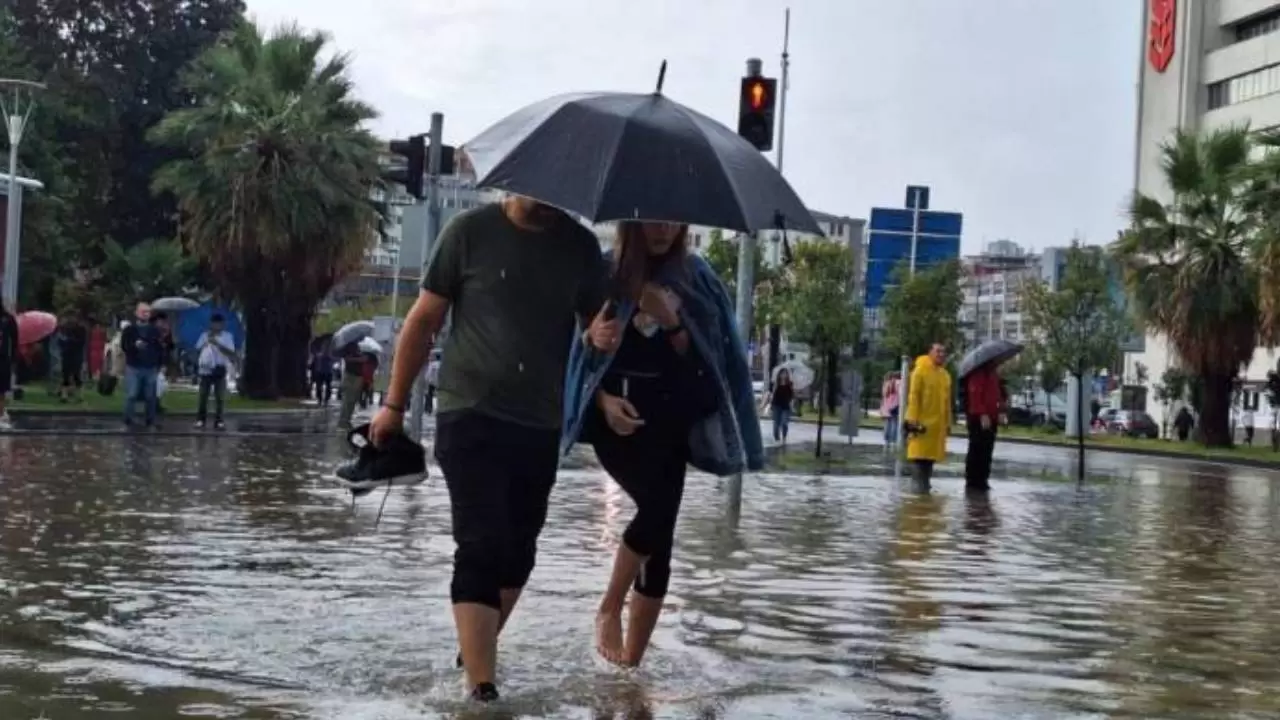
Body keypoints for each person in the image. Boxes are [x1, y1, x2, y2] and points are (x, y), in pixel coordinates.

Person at [366, 195, 618, 703]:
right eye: (538, 193)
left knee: (518, 554)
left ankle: (472, 652)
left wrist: (598, 335)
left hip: (541, 421)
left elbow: (597, 326)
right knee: (480, 543)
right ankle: (482, 689)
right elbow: (423, 320)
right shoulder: (468, 232)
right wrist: (392, 406)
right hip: (470, 412)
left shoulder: (579, 246)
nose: (548, 203)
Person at [562, 221, 763, 668]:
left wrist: (672, 321)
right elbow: (574, 355)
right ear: (631, 220)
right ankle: (610, 606)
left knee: (661, 539)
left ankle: (631, 669)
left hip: (673, 423)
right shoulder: (601, 275)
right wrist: (599, 387)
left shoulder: (697, 278)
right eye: (653, 219)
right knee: (655, 509)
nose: (663, 230)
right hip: (617, 422)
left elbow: (709, 363)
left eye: (673, 221)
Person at [904, 343, 952, 492]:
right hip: (920, 427)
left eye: (943, 352)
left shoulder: (945, 375)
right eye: (938, 351)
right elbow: (913, 397)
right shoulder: (920, 371)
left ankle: (924, 498)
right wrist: (912, 421)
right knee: (918, 465)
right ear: (930, 352)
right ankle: (917, 502)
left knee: (928, 467)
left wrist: (948, 423)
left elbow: (947, 402)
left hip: (935, 430)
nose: (941, 354)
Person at [121, 303, 164, 428]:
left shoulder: (154, 330)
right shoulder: (130, 330)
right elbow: (124, 346)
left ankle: (150, 420)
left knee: (150, 395)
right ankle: (128, 419)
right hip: (133, 366)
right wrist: (134, 346)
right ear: (136, 313)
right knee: (132, 394)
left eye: (147, 312)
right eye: (143, 311)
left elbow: (159, 348)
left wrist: (160, 363)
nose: (145, 314)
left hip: (150, 367)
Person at [962, 361, 1003, 491]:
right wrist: (982, 413)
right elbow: (975, 395)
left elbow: (998, 394)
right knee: (977, 448)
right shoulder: (978, 374)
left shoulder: (993, 374)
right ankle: (972, 480)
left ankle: (983, 479)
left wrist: (1001, 411)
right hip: (978, 418)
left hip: (992, 417)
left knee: (987, 448)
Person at [195, 313, 238, 430]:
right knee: (203, 395)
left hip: (219, 368)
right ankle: (200, 419)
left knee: (220, 396)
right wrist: (206, 342)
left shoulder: (228, 336)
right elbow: (197, 350)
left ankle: (219, 420)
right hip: (206, 369)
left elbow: (231, 353)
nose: (216, 326)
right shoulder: (204, 335)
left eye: (219, 324)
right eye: (214, 324)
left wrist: (218, 344)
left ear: (223, 325)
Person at [57, 315, 88, 403]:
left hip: (75, 354)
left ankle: (79, 395)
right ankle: (64, 395)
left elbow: (81, 342)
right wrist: (63, 342)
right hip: (67, 354)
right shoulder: (65, 329)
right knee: (65, 374)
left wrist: (68, 341)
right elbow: (60, 342)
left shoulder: (81, 329)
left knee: (76, 375)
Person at [336, 343, 365, 430]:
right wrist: (360, 359)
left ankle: (347, 420)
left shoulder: (358, 348)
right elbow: (347, 359)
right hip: (350, 376)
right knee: (348, 399)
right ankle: (343, 421)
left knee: (353, 400)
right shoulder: (348, 347)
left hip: (357, 376)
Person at [765, 368, 795, 443]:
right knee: (776, 425)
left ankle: (784, 437)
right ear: (779, 374)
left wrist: (792, 403)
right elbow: (769, 393)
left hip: (786, 406)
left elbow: (792, 396)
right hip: (776, 406)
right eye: (782, 373)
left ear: (787, 375)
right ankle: (777, 439)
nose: (784, 375)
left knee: (784, 423)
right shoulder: (775, 383)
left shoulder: (790, 384)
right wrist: (765, 404)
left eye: (785, 373)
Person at [0, 300, 17, 430]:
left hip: (3, 358)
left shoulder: (8, 318)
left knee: (1, 389)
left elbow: (15, 339)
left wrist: (13, 359)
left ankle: (1, 415)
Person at [881, 371, 901, 445]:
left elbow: (883, 396)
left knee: (887, 423)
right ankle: (893, 440)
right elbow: (900, 393)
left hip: (886, 406)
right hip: (895, 405)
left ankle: (886, 439)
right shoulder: (897, 383)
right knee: (895, 423)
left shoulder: (885, 384)